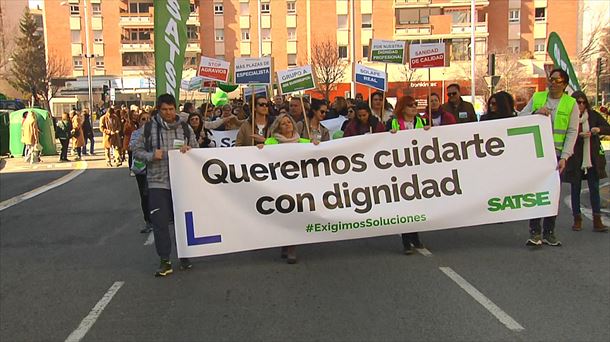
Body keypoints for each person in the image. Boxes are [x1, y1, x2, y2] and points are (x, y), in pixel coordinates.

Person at [133, 93, 199, 277]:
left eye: (171, 109)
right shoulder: (148, 128)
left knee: (182, 221)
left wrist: (189, 151)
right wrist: (152, 155)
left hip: (181, 182)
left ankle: (185, 255)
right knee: (160, 222)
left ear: (175, 109)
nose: (168, 113)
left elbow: (196, 150)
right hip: (158, 181)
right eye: (164, 109)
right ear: (158, 109)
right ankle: (165, 259)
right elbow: (135, 150)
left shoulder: (185, 128)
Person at [518, 68, 579, 247]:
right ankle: (535, 232)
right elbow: (520, 116)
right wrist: (536, 112)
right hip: (536, 154)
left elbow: (572, 131)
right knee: (536, 192)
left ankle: (549, 232)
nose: (551, 83)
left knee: (552, 193)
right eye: (550, 79)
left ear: (564, 84)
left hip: (556, 155)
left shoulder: (570, 103)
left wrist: (565, 157)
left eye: (556, 80)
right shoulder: (538, 98)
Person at [258, 113, 315, 264]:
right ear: (278, 127)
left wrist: (316, 145)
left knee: (293, 214)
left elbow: (316, 154)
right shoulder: (271, 142)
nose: (287, 125)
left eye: (289, 122)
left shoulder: (303, 141)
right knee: (282, 215)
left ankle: (291, 247)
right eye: (283, 123)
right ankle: (285, 243)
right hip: (278, 185)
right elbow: (261, 158)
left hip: (297, 185)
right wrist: (259, 149)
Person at [386, 96, 431, 255]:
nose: (414, 108)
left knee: (416, 204)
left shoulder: (422, 122)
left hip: (418, 167)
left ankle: (415, 236)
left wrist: (428, 132)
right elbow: (382, 142)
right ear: (403, 108)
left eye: (415, 105)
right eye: (410, 105)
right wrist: (389, 134)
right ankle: (407, 241)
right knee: (405, 205)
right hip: (400, 169)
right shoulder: (393, 123)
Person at [563, 91, 609, 232]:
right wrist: (577, 135)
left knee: (594, 189)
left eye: (583, 102)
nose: (581, 105)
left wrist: (598, 129)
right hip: (575, 158)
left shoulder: (593, 116)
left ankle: (597, 220)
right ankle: (577, 219)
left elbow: (607, 128)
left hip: (592, 159)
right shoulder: (569, 117)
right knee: (575, 188)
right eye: (578, 102)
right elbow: (564, 133)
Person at [129, 112, 154, 234]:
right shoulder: (136, 133)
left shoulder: (157, 132)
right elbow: (132, 146)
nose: (146, 121)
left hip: (155, 168)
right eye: (143, 119)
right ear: (139, 122)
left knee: (156, 194)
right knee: (145, 195)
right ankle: (148, 221)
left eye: (149, 119)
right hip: (142, 170)